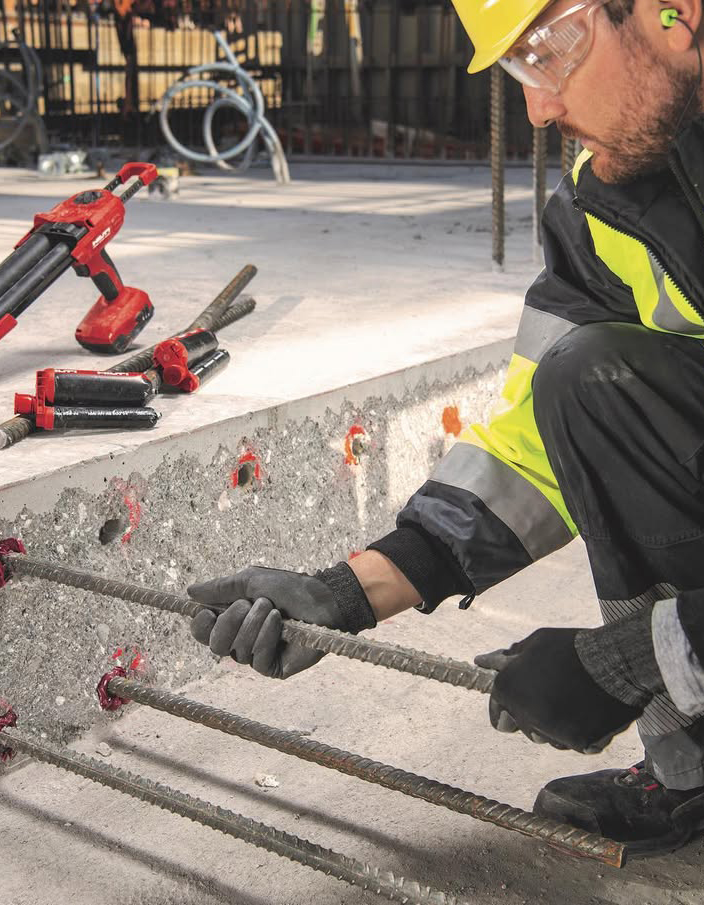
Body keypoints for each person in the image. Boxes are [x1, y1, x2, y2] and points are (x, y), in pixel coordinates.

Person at [187, 0, 704, 855]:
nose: (538, 107)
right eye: (518, 69)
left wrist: (643, 659)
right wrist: (353, 590)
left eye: (550, 50)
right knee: (586, 379)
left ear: (670, 13)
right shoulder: (605, 202)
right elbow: (534, 437)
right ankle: (694, 767)